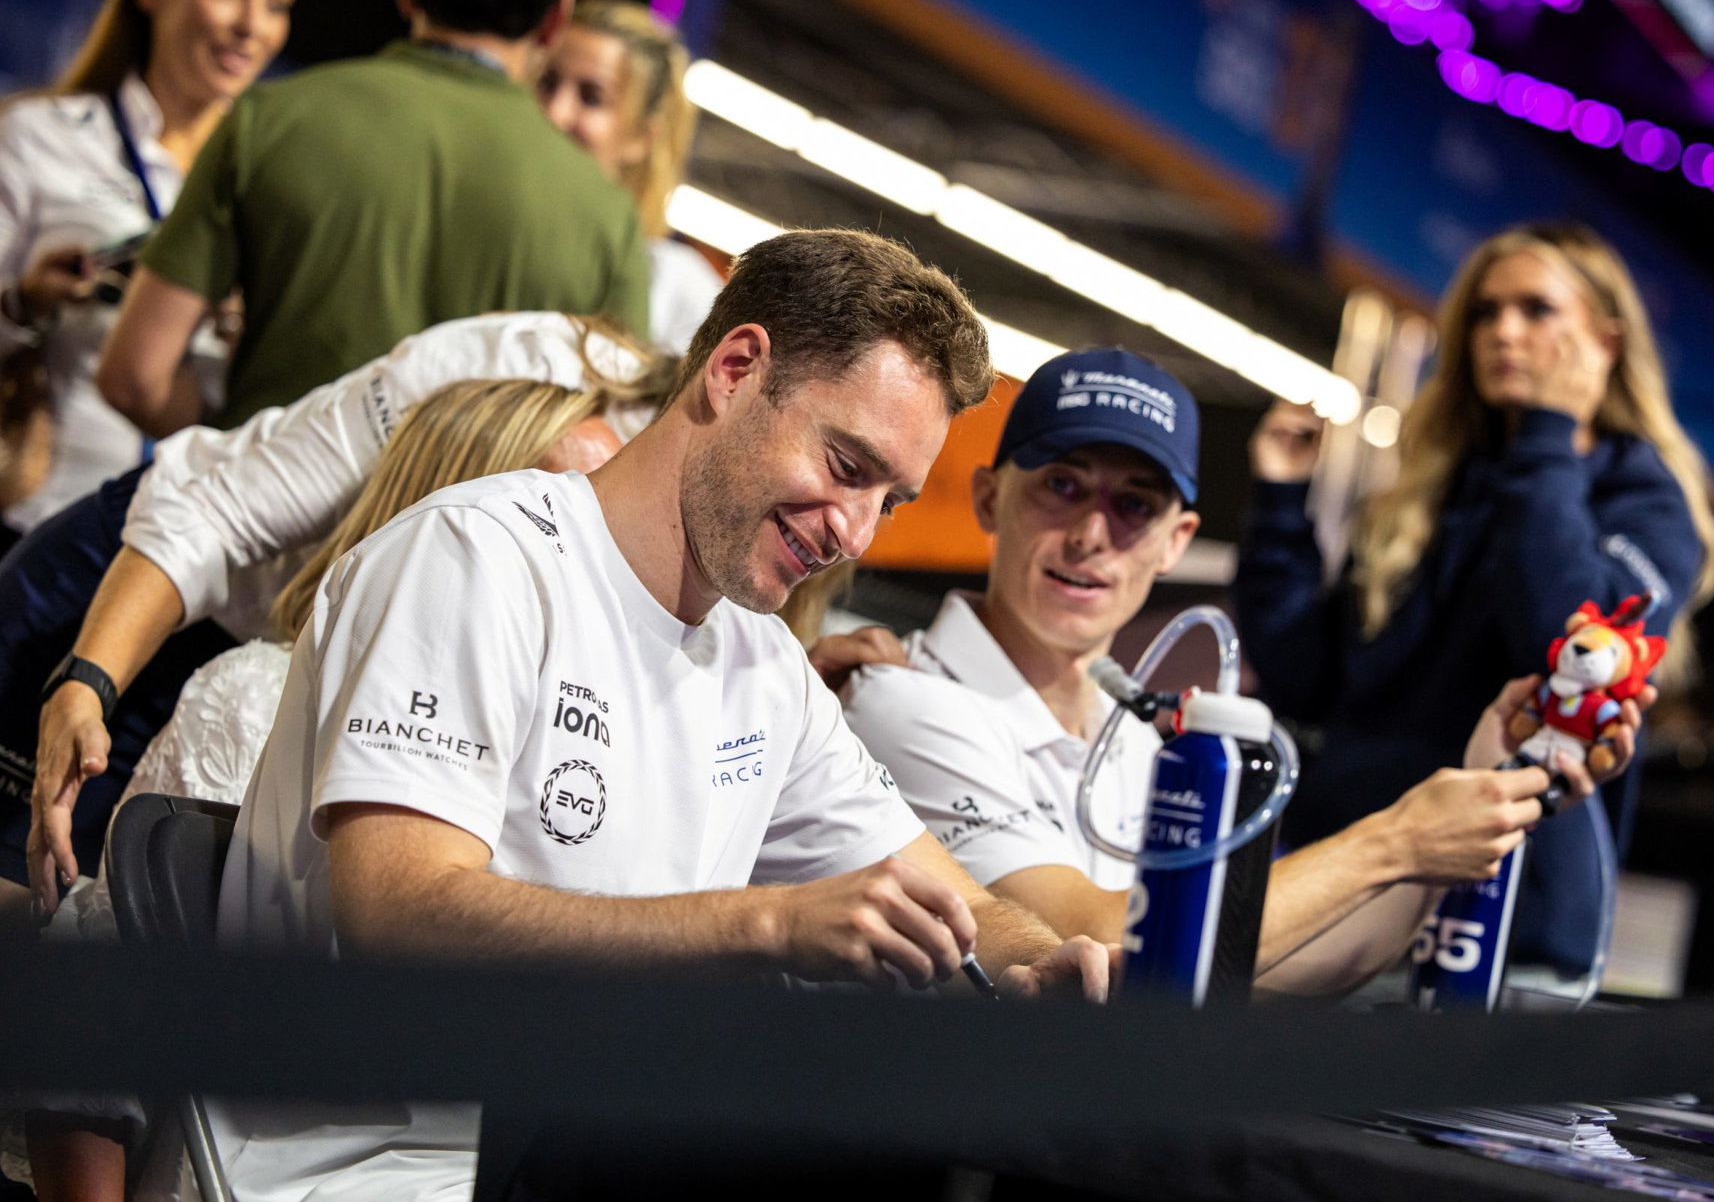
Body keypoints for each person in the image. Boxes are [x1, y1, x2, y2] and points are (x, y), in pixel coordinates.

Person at [212, 228, 1109, 1199]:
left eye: (888, 501)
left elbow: (961, 908)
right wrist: (767, 924)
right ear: (735, 369)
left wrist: (1038, 966)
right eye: (848, 466)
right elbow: (397, 914)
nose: (855, 534)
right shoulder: (477, 561)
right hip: (355, 1174)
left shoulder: (764, 664)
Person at [842, 348, 1649, 995]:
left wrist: (1476, 799)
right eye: (1061, 485)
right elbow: (1102, 946)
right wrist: (1398, 837)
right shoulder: (905, 704)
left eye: (1135, 504)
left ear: (1176, 540)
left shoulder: (1134, 740)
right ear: (989, 498)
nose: (1091, 534)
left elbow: (1254, 970)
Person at [13, 377, 619, 1202]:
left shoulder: (564, 755)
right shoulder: (256, 697)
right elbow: (102, 987)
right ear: (463, 510)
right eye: (562, 506)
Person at [2, 311, 670, 929]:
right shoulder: (536, 368)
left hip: (295, 645)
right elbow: (212, 512)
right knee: (43, 884)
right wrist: (85, 682)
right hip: (124, 587)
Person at [1234, 222, 1714, 977]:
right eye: (1486, 313)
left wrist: (1549, 433)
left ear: (1605, 344)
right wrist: (1278, 505)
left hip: (1502, 929)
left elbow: (1563, 646)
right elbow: (1306, 676)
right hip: (1349, 889)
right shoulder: (1429, 493)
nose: (1504, 332)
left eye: (1537, 310)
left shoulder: (1647, 503)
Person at [94, 0, 651, 438]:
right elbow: (609, 448)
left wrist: (243, 448)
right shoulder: (608, 221)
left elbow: (135, 378)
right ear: (556, 17)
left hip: (243, 507)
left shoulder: (270, 121)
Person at [0, 0, 298, 546]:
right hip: (34, 520)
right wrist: (26, 304)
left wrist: (246, 330)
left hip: (176, 552)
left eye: (277, 3)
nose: (252, 25)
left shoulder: (278, 184)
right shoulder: (38, 135)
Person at [535, 0, 723, 355]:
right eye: (547, 81)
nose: (556, 113)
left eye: (591, 97)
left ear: (642, 137)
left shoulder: (677, 290)